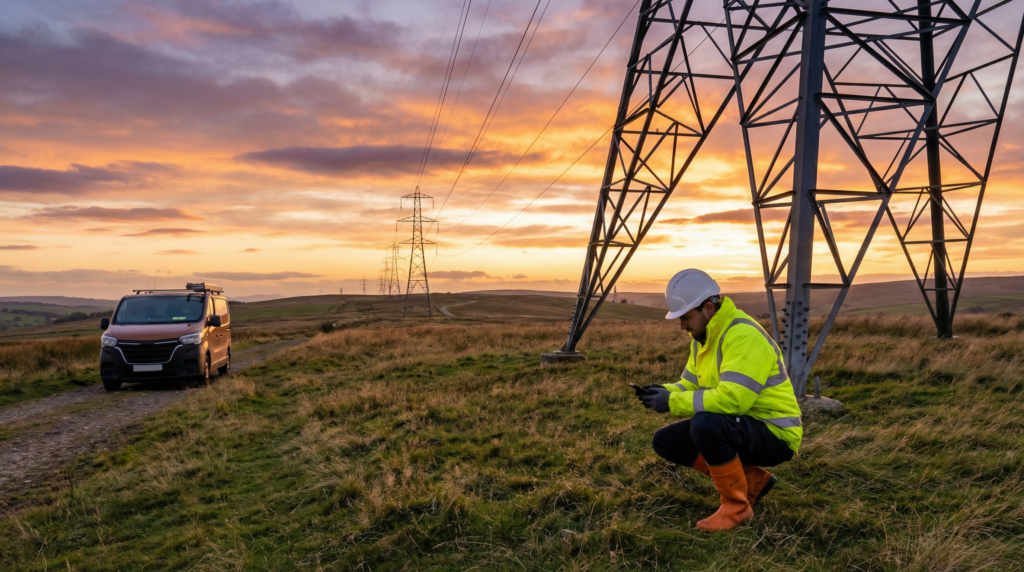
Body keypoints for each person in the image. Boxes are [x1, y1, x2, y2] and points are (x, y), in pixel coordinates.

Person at [635, 269, 802, 532]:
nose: (682, 326)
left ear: (708, 309)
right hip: (744, 425)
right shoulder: (702, 338)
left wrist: (673, 402)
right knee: (665, 441)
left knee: (705, 424)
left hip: (775, 434)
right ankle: (753, 481)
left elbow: (733, 401)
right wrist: (661, 391)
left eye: (685, 318)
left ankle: (737, 508)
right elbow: (689, 384)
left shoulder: (742, 336)